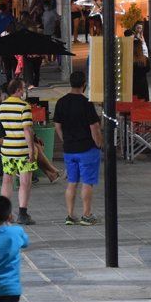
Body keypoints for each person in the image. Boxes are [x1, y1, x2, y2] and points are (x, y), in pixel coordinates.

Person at [53, 71, 102, 226]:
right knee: (87, 182)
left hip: (69, 149)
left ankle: (70, 215)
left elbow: (57, 125)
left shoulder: (61, 102)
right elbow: (94, 127)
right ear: (84, 84)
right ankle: (86, 215)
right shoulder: (86, 103)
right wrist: (99, 143)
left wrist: (65, 140)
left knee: (72, 182)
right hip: (87, 148)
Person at [0, 80, 37, 225]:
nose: (24, 91)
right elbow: (27, 130)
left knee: (7, 180)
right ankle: (22, 213)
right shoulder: (24, 106)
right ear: (19, 90)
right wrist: (32, 151)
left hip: (7, 150)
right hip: (22, 150)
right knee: (25, 182)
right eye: (23, 89)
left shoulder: (2, 106)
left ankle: (6, 213)